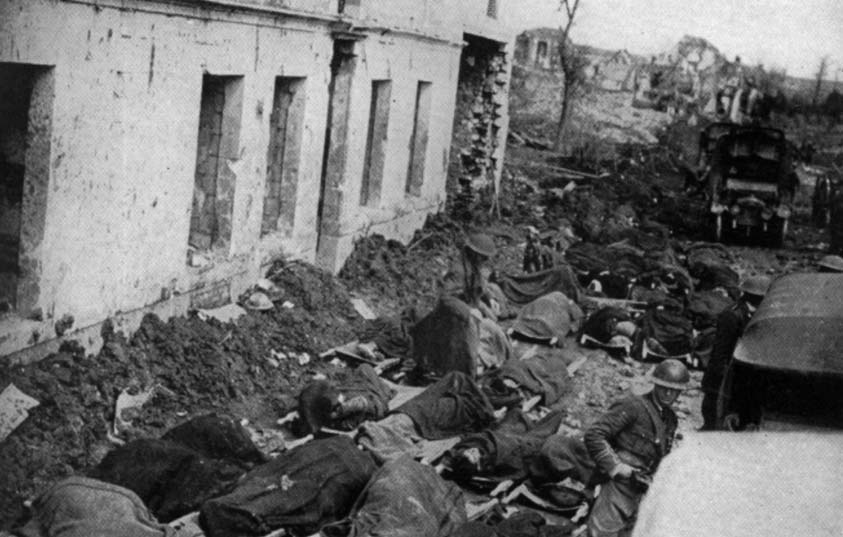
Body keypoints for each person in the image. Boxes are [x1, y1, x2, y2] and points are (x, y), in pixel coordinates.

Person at [584, 359, 689, 537]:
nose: (668, 393)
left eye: (674, 390)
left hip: (642, 486)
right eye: (664, 387)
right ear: (655, 384)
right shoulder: (633, 406)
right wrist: (615, 467)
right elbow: (595, 434)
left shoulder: (670, 419)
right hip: (620, 482)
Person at [699, 275, 770, 430]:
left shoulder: (759, 314)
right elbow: (720, 353)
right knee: (714, 421)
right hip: (724, 376)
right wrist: (722, 384)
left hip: (742, 377)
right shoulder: (732, 315)